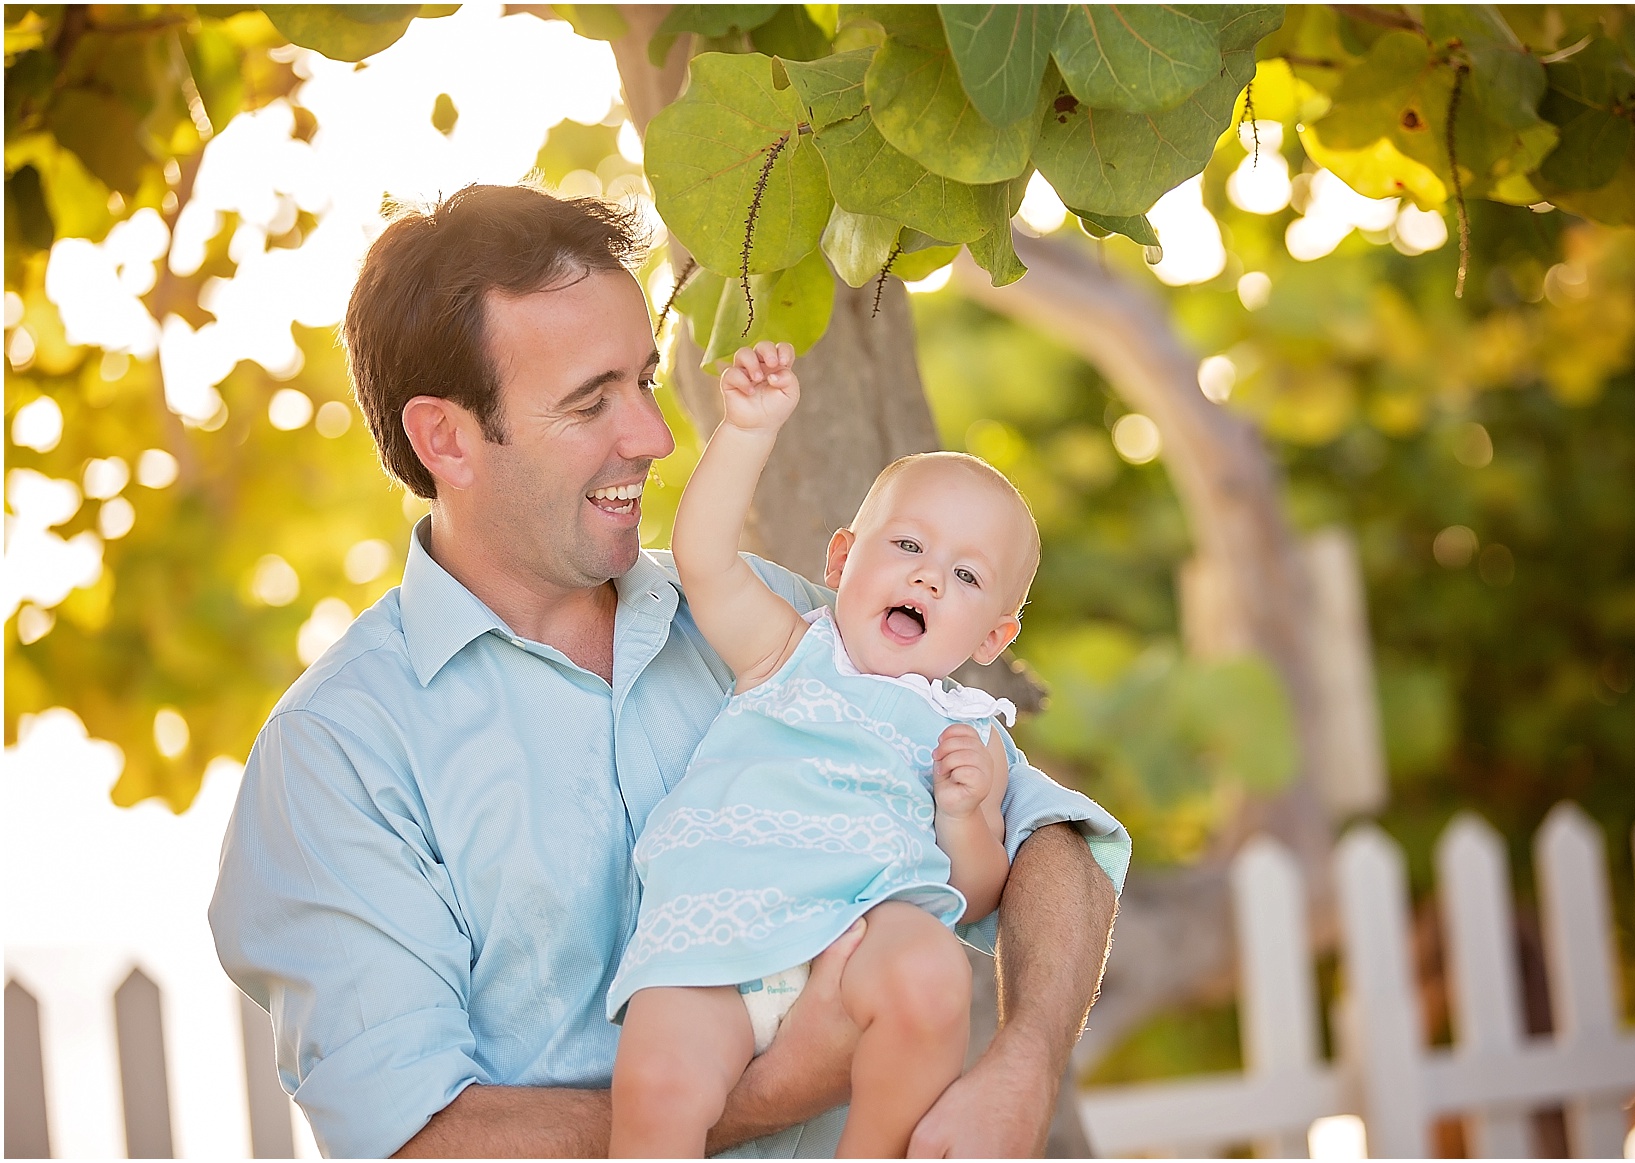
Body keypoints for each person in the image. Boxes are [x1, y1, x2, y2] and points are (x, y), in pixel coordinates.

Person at [209, 183, 1128, 1159]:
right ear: (446, 438)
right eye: (588, 400)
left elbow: (1048, 838)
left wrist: (1027, 1060)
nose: (651, 436)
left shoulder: (784, 624)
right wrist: (761, 1089)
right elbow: (421, 1137)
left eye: (643, 381)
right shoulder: (337, 756)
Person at [610, 343, 1119, 1157]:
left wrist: (961, 814)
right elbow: (703, 561)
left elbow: (980, 893)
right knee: (660, 1092)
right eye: (909, 547)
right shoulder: (787, 648)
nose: (927, 581)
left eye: (964, 575)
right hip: (717, 937)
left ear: (993, 635)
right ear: (843, 558)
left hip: (859, 960)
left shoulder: (974, 734)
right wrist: (747, 431)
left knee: (934, 976)